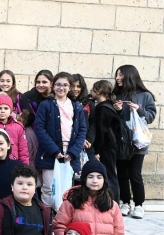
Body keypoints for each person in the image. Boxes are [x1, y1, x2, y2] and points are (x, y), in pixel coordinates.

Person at [112, 64, 158, 219]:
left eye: (120, 75)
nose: (117, 78)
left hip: (138, 142)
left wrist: (139, 109)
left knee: (135, 174)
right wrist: (117, 110)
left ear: (129, 75)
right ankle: (125, 202)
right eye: (117, 75)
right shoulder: (116, 94)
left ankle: (139, 205)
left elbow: (151, 117)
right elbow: (111, 120)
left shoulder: (145, 95)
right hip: (121, 141)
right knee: (122, 174)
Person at [34, 72, 87, 206]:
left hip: (70, 153)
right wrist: (54, 151)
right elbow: (39, 129)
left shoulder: (77, 107)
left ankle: (62, 221)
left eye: (65, 85)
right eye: (58, 84)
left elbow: (82, 130)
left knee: (67, 191)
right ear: (53, 86)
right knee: (48, 189)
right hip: (51, 153)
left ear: (69, 87)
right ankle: (47, 221)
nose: (61, 88)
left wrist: (73, 152)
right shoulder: (46, 105)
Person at [90, 80, 122, 202]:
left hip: (106, 147)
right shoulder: (109, 106)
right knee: (109, 174)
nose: (91, 92)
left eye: (93, 90)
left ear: (98, 91)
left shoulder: (102, 108)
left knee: (109, 175)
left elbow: (101, 132)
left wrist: (97, 150)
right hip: (110, 146)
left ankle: (113, 203)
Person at [71, 73, 96, 162]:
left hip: (87, 145)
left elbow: (93, 123)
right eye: (73, 86)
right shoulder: (65, 102)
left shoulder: (89, 104)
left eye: (78, 86)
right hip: (70, 145)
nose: (75, 89)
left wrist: (88, 140)